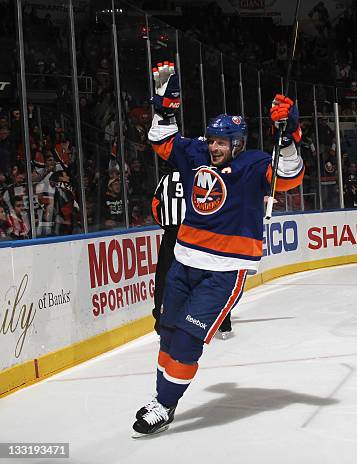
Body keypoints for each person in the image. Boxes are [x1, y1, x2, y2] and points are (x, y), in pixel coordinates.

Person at [132, 62, 304, 437]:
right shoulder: (197, 154)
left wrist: (288, 134)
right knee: (169, 332)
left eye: (221, 142)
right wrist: (166, 106)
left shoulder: (255, 164)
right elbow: (163, 143)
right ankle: (162, 396)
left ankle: (164, 404)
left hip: (224, 272)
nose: (213, 147)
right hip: (183, 262)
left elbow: (289, 178)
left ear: (237, 144)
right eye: (211, 139)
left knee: (190, 338)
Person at [151, 167, 185, 335]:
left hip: (171, 234)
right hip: (193, 233)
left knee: (164, 276)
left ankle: (160, 320)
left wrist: (166, 225)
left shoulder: (166, 179)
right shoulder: (197, 176)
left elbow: (155, 206)